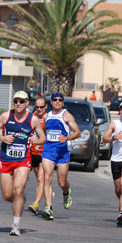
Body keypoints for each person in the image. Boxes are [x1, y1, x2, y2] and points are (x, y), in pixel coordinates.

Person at [0, 90, 45, 236]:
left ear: (27, 103)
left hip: (23, 159)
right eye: (16, 101)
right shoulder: (6, 116)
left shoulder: (33, 119)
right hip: (6, 158)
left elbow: (43, 138)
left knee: (18, 189)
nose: (18, 104)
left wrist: (36, 141)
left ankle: (16, 225)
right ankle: (21, 199)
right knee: (8, 195)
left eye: (21, 101)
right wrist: (2, 138)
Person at [40, 92, 81, 220]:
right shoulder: (46, 116)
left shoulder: (67, 115)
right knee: (47, 178)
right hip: (48, 150)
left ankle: (66, 192)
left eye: (60, 100)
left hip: (62, 151)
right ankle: (48, 208)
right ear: (51, 102)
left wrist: (66, 137)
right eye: (55, 100)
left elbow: (78, 133)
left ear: (63, 102)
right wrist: (39, 140)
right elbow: (43, 131)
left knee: (61, 182)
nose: (57, 101)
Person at [27, 96, 48, 215]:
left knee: (41, 179)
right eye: (37, 107)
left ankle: (36, 204)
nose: (39, 109)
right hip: (32, 152)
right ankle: (46, 190)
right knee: (40, 179)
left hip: (45, 153)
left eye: (41, 107)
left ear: (46, 107)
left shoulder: (48, 119)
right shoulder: (31, 118)